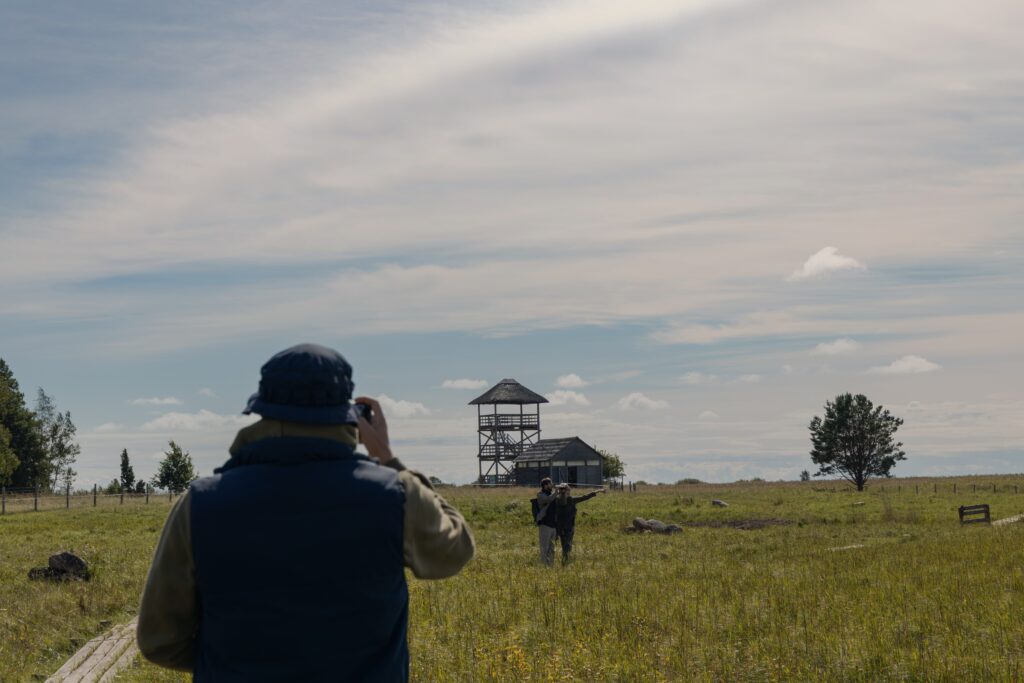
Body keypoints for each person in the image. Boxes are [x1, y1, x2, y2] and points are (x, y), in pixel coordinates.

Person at [136, 343, 475, 682]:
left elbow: (159, 640)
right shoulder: (396, 496)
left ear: (262, 410)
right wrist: (388, 459)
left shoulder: (200, 503)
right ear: (350, 414)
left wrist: (230, 663)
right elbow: (454, 551)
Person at [553, 482, 604, 564]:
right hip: (568, 528)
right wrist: (597, 491)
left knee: (564, 546)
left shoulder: (555, 500)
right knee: (567, 547)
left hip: (559, 528)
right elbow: (585, 497)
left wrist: (556, 490)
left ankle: (564, 562)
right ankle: (565, 564)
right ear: (567, 491)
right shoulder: (571, 500)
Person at [534, 477, 557, 566]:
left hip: (553, 525)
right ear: (545, 485)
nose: (552, 485)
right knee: (545, 547)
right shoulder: (540, 494)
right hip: (545, 524)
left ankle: (551, 565)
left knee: (552, 548)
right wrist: (556, 491)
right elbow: (549, 499)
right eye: (550, 483)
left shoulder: (552, 494)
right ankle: (544, 565)